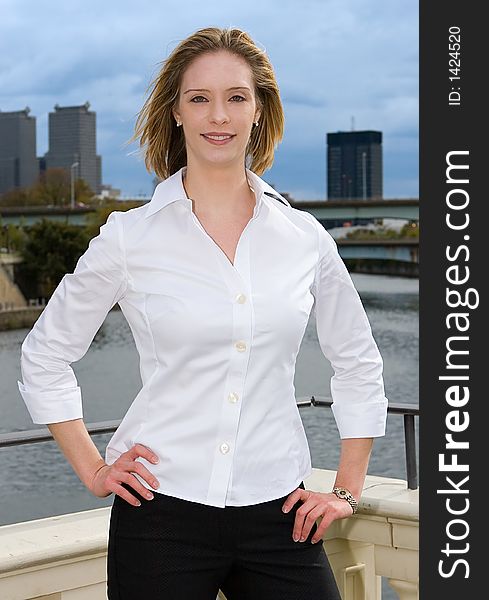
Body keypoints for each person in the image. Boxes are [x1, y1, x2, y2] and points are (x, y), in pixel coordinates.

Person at [17, 26, 388, 599]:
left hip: (281, 513)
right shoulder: (128, 238)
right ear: (176, 112)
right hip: (160, 516)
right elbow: (44, 354)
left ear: (260, 110)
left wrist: (345, 489)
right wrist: (93, 467)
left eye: (236, 97)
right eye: (200, 98)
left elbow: (359, 363)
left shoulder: (305, 238)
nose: (219, 115)